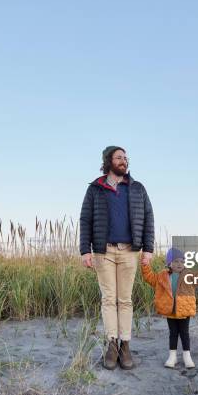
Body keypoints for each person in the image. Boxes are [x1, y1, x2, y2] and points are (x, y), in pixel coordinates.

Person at [79, 146, 154, 370]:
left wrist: (148, 249)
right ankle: (111, 344)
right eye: (119, 157)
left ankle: (125, 346)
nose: (124, 161)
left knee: (126, 299)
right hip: (104, 251)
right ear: (108, 161)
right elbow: (85, 220)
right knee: (109, 299)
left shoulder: (137, 188)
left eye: (125, 158)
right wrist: (85, 250)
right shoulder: (95, 189)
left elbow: (149, 218)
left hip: (130, 251)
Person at [140, 247, 198, 368]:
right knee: (173, 333)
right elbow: (149, 277)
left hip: (184, 309)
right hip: (170, 310)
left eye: (182, 261)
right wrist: (145, 265)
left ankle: (187, 356)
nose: (180, 264)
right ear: (169, 263)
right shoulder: (162, 276)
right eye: (176, 261)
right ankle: (172, 357)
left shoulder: (188, 274)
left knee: (184, 333)